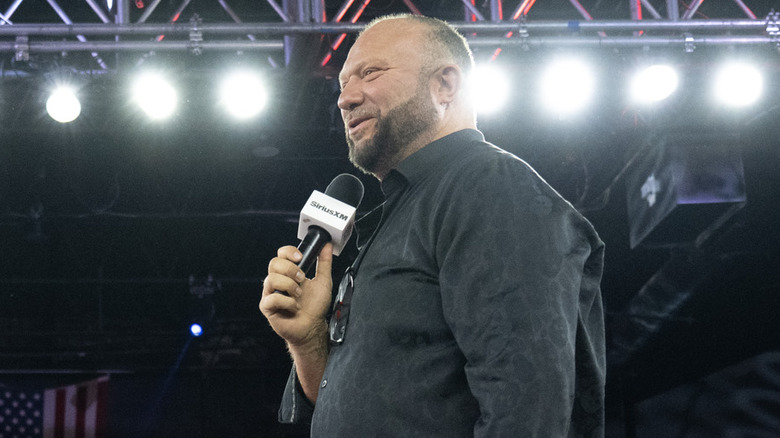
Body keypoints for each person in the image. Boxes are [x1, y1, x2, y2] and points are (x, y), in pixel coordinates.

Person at [259, 14, 606, 437]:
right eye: (341, 83)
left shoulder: (489, 187)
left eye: (370, 73)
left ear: (445, 85)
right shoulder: (405, 211)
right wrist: (308, 339)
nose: (345, 98)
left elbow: (526, 403)